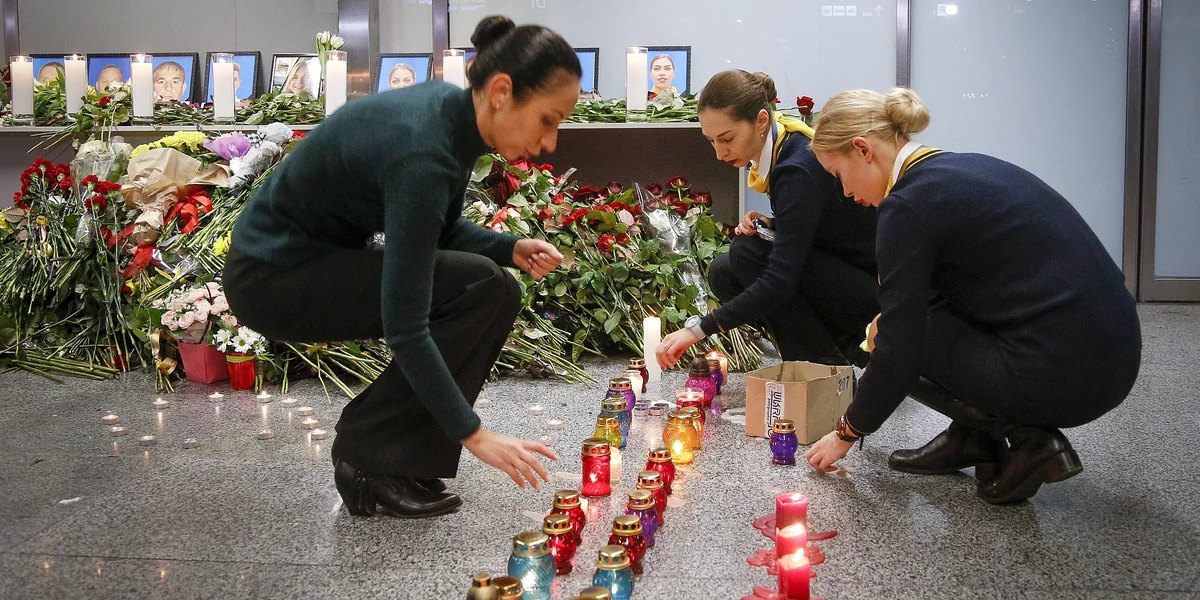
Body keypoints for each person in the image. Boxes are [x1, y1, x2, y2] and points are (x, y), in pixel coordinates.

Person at [224, 16, 582, 519]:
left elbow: (436, 228)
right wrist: (476, 435)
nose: (550, 142)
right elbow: (406, 327)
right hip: (271, 278)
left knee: (495, 286)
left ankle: (398, 459)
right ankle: (368, 458)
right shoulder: (426, 151)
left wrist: (510, 248)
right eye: (548, 120)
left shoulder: (450, 115)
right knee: (481, 287)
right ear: (501, 91)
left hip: (308, 261)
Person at [802, 88, 1142, 505]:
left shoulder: (907, 205)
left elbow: (899, 350)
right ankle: (971, 438)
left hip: (1066, 377)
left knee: (890, 339)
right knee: (906, 322)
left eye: (838, 174)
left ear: (863, 149)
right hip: (1114, 357)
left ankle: (1032, 444)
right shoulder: (961, 168)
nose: (844, 192)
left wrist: (846, 431)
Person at [656, 70, 878, 370]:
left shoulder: (796, 167)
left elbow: (781, 280)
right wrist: (774, 224)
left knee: (747, 252)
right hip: (842, 275)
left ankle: (821, 364)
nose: (720, 153)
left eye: (727, 139)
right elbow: (824, 225)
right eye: (711, 141)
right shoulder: (786, 145)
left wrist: (698, 329)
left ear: (761, 121)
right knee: (723, 271)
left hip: (871, 296)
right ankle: (826, 350)